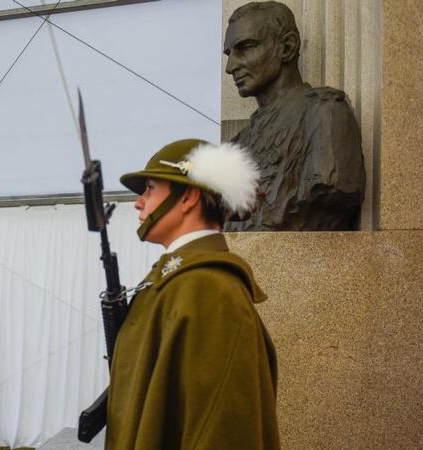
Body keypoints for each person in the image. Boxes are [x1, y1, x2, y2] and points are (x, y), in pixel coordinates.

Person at [106, 139, 280, 449]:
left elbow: (222, 429)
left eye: (150, 189)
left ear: (187, 196)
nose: (139, 202)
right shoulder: (178, 280)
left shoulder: (210, 290)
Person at [223, 1, 365, 230]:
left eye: (245, 47)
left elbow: (332, 191)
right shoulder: (237, 145)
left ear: (287, 47)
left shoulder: (325, 112)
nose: (230, 67)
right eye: (229, 54)